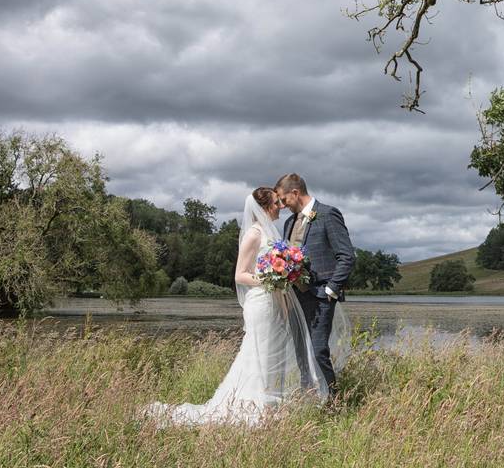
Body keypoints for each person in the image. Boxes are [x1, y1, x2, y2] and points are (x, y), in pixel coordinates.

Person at [144, 187, 328, 426]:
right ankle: (255, 407)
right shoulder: (253, 234)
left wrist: (284, 276)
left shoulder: (272, 232)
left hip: (275, 302)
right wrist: (271, 278)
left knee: (275, 352)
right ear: (264, 207)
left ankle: (270, 405)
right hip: (260, 302)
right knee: (260, 352)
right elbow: (240, 275)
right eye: (275, 203)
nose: (280, 207)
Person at [275, 173, 354, 397]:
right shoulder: (290, 222)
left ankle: (334, 401)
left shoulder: (328, 214)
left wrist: (331, 289)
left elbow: (347, 256)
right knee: (300, 350)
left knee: (319, 350)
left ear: (295, 192)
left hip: (321, 296)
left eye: (283, 199)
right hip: (295, 298)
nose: (282, 205)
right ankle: (308, 395)